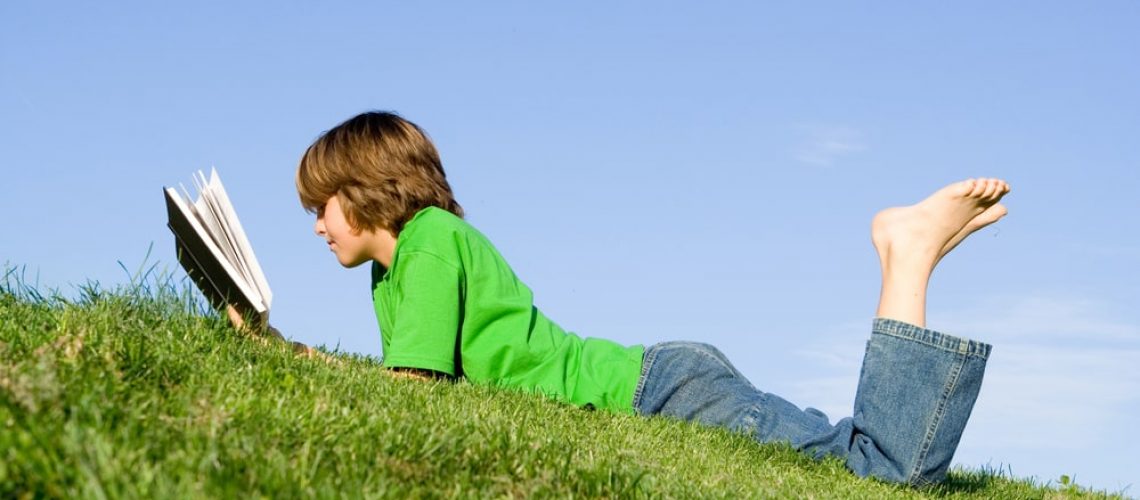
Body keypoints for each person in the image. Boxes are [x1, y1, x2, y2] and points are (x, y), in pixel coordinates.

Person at [232, 111, 1011, 486]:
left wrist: (289, 359)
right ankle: (911, 257)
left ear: (367, 191)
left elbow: (413, 391)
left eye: (321, 207)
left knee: (882, 480)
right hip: (667, 381)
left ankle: (908, 257)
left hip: (659, 393)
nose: (317, 226)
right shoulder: (392, 272)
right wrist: (286, 352)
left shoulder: (430, 238)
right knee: (850, 461)